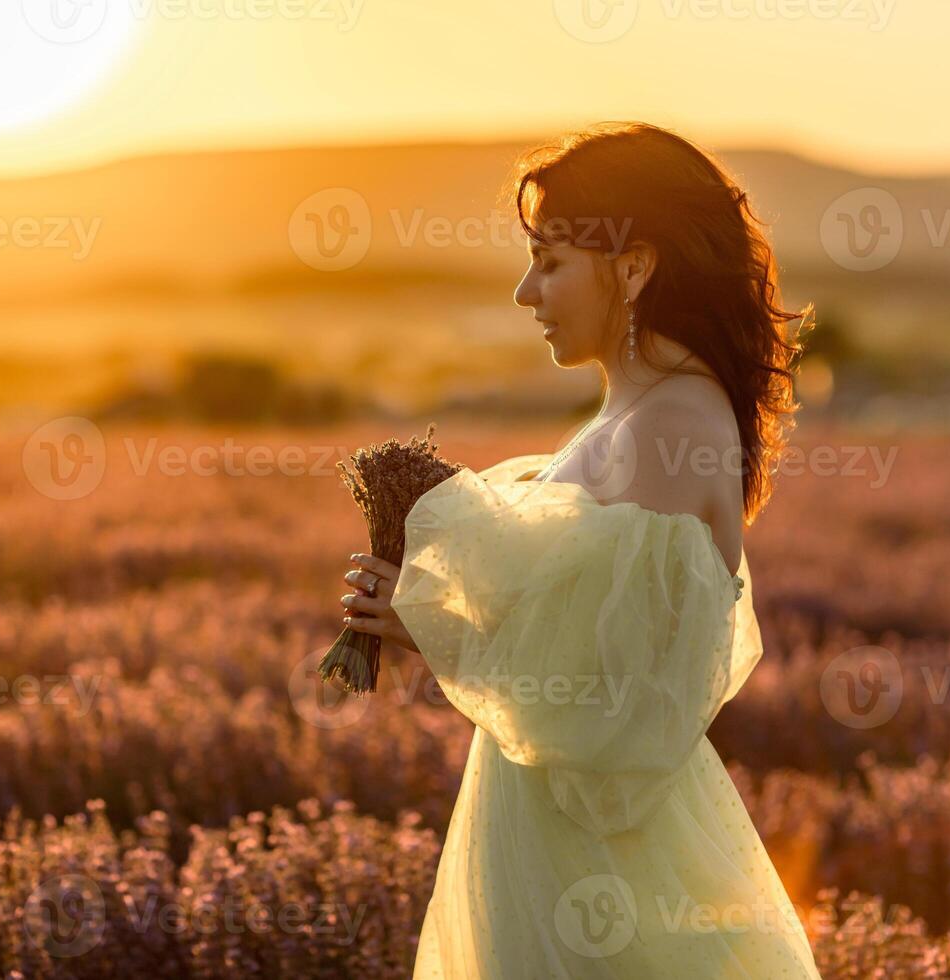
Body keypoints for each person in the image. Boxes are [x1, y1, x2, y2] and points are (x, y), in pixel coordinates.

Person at [339, 122, 821, 978]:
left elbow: (624, 714)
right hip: (555, 845)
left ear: (634, 268)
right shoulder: (634, 418)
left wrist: (430, 629)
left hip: (602, 876)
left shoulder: (668, 425)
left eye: (550, 261)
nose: (526, 292)